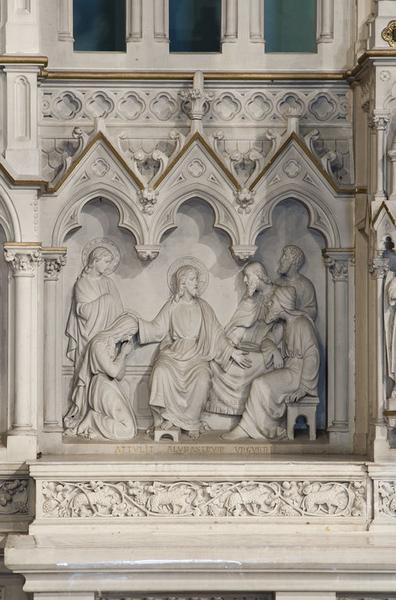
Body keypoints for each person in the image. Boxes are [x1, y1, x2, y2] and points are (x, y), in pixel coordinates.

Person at [138, 265, 251, 438]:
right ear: (182, 283)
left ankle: (191, 422)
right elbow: (157, 328)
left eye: (197, 279)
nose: (196, 283)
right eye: (192, 279)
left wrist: (231, 352)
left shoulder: (203, 307)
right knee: (161, 371)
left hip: (196, 354)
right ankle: (168, 418)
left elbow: (216, 333)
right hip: (173, 353)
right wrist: (137, 327)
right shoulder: (172, 305)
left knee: (202, 378)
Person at [223, 285, 320, 441]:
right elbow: (267, 340)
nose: (270, 304)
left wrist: (304, 387)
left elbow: (312, 355)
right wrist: (274, 350)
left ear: (282, 304)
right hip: (289, 371)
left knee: (260, 384)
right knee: (259, 383)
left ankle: (252, 428)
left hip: (298, 374)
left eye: (273, 301)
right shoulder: (283, 325)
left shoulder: (302, 323)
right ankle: (257, 427)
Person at [206, 261, 283, 417]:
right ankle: (223, 413)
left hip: (266, 350)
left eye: (247, 277)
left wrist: (272, 346)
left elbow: (284, 325)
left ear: (258, 275)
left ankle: (245, 411)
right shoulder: (251, 298)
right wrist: (231, 346)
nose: (245, 281)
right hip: (246, 347)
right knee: (214, 361)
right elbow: (239, 324)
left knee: (246, 365)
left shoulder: (279, 294)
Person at [63, 313, 139, 441]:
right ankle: (92, 419)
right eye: (130, 332)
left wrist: (123, 354)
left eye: (132, 335)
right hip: (101, 387)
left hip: (111, 385)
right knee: (127, 429)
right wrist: (123, 354)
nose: (129, 337)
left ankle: (94, 419)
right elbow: (114, 372)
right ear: (122, 328)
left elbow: (119, 375)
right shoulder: (99, 343)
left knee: (130, 428)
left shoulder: (112, 345)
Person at [66, 246, 124, 367]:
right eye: (106, 261)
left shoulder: (109, 283)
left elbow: (119, 311)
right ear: (95, 261)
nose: (107, 266)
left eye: (109, 262)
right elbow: (82, 311)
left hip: (108, 335)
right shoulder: (82, 283)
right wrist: (106, 301)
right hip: (88, 333)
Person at [276, 245, 317, 320]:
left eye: (285, 257)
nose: (280, 260)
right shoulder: (278, 282)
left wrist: (290, 314)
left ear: (294, 262)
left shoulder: (305, 285)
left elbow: (311, 312)